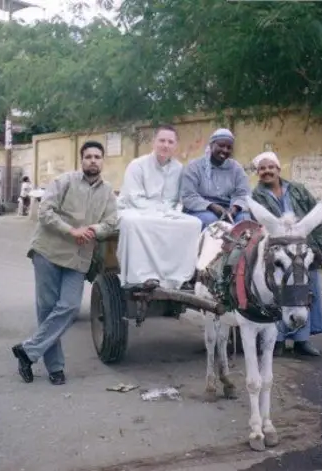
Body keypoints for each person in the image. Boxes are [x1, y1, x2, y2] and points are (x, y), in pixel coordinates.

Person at [11, 141, 118, 385]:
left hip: (79, 258)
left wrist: (93, 229)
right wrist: (72, 231)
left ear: (102, 161)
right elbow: (45, 212)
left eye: (97, 157)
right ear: (81, 160)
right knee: (47, 309)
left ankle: (28, 351)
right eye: (88, 156)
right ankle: (55, 368)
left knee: (69, 307)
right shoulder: (65, 181)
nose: (93, 160)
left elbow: (112, 222)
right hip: (49, 252)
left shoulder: (107, 191)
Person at [251, 151, 322, 357]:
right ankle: (277, 341)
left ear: (278, 169)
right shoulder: (255, 196)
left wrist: (318, 247)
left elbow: (316, 217)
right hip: (278, 252)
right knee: (278, 292)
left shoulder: (298, 190)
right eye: (262, 169)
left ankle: (302, 341)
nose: (267, 172)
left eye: (270, 167)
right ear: (258, 173)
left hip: (302, 248)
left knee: (305, 291)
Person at [117, 125, 202, 289]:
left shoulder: (178, 168)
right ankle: (141, 276)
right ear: (153, 143)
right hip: (135, 210)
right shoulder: (137, 165)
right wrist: (160, 212)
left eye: (170, 142)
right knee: (133, 223)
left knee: (194, 224)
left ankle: (179, 276)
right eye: (162, 140)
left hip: (166, 213)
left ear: (175, 146)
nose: (166, 145)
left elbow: (179, 200)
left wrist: (172, 212)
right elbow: (134, 198)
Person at [180, 128, 252, 229]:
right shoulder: (194, 167)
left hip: (228, 209)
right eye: (221, 145)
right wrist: (211, 206)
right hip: (200, 209)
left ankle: (241, 245)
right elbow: (188, 196)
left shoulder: (236, 168)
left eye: (229, 147)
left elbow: (244, 194)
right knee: (212, 221)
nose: (225, 150)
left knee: (245, 220)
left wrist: (235, 208)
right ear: (211, 145)